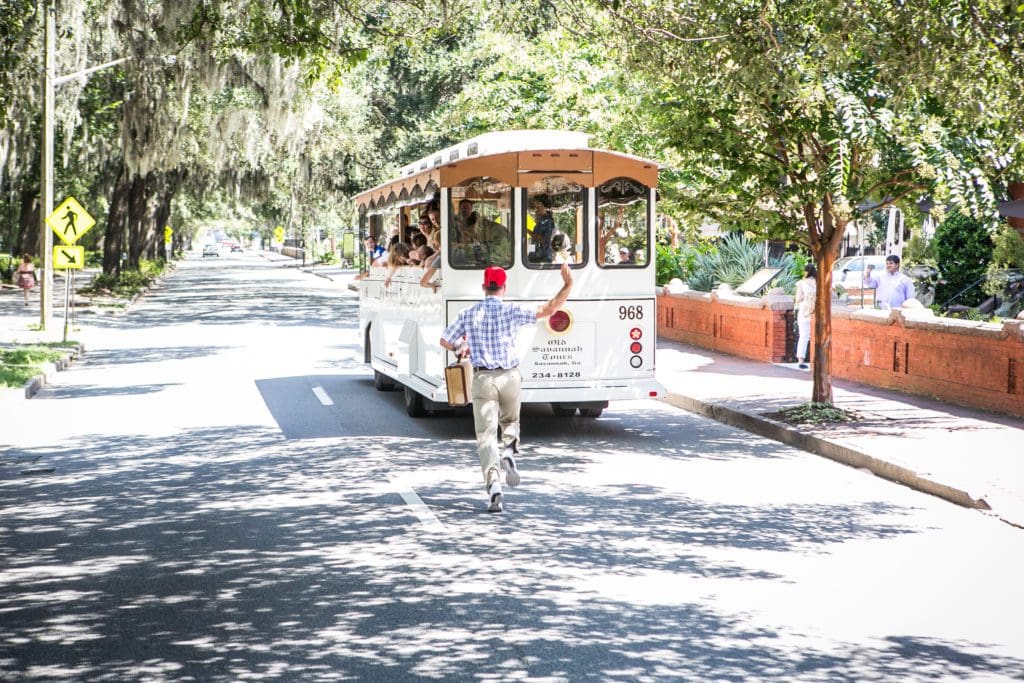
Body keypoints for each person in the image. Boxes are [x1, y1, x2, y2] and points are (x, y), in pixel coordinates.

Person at [439, 263, 573, 512]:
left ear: (483, 287)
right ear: (504, 288)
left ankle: (493, 486)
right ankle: (510, 448)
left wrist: (461, 347)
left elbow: (445, 340)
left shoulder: (469, 313)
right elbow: (549, 308)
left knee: (486, 436)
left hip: (483, 380)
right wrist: (568, 284)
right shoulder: (512, 310)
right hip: (510, 376)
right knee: (510, 421)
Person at [794, 263, 817, 369]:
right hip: (816, 311)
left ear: (806, 272)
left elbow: (798, 298)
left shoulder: (802, 283)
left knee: (804, 336)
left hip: (805, 311)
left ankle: (801, 360)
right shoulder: (818, 283)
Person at [528, 197, 555, 263]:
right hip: (536, 257)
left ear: (545, 208)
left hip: (542, 258)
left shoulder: (546, 221)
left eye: (538, 207)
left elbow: (542, 240)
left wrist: (526, 230)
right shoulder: (542, 221)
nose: (536, 210)